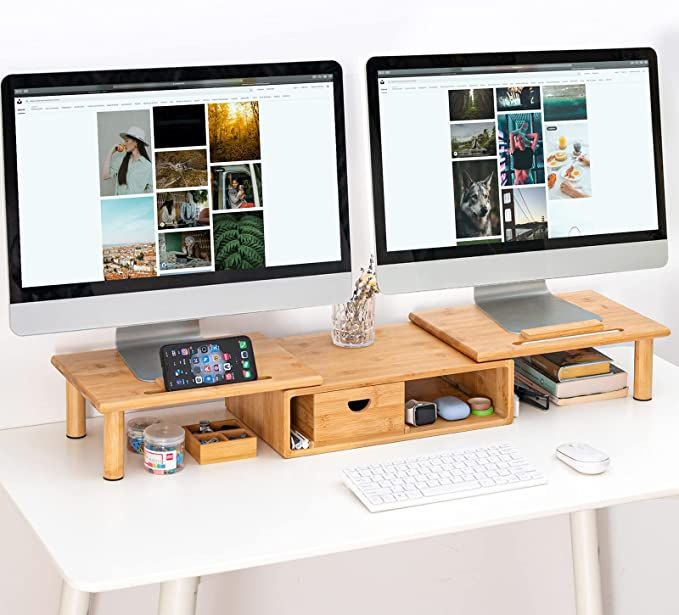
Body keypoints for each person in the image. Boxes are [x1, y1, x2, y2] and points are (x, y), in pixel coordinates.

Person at [101, 126, 152, 195]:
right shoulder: (121, 160)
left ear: (136, 142)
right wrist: (111, 152)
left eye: (127, 141)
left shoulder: (148, 166)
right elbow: (105, 176)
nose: (124, 144)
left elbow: (150, 190)